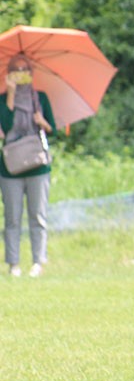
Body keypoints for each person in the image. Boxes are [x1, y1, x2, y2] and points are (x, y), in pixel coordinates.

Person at [0, 54, 55, 278]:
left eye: (25, 69)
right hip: (10, 166)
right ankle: (13, 263)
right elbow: (5, 125)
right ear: (8, 73)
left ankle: (38, 261)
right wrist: (11, 93)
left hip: (37, 165)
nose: (21, 72)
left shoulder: (40, 98)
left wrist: (43, 123)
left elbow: (54, 131)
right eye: (16, 69)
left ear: (31, 74)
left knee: (38, 215)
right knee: (12, 217)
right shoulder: (3, 99)